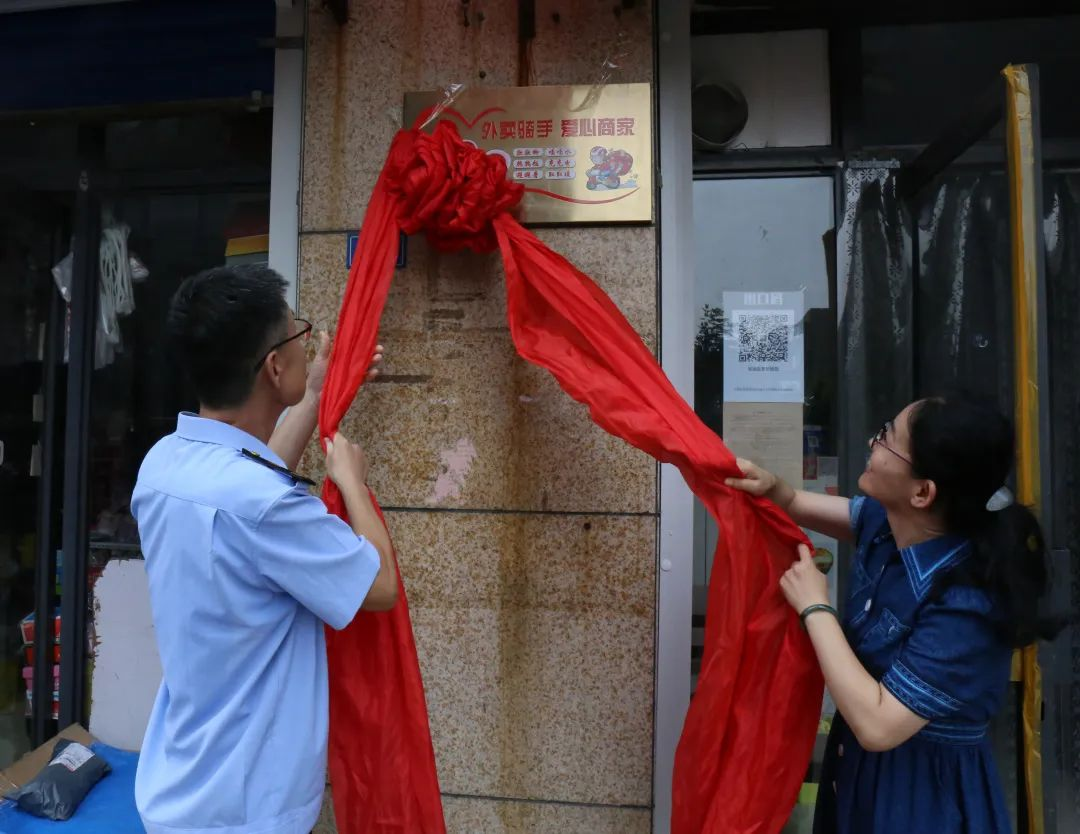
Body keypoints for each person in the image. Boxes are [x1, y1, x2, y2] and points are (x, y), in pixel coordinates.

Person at [131, 264, 393, 834]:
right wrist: (352, 483)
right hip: (247, 808)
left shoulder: (162, 465)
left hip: (181, 786)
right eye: (299, 333)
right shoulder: (262, 504)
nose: (306, 342)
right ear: (274, 367)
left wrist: (316, 393)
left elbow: (254, 486)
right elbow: (378, 586)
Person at [726, 395, 1065, 834]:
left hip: (922, 799)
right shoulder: (892, 526)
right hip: (858, 780)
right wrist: (777, 491)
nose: (873, 441)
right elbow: (829, 511)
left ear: (922, 492)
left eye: (888, 438)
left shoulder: (967, 604)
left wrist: (815, 608)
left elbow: (879, 725)